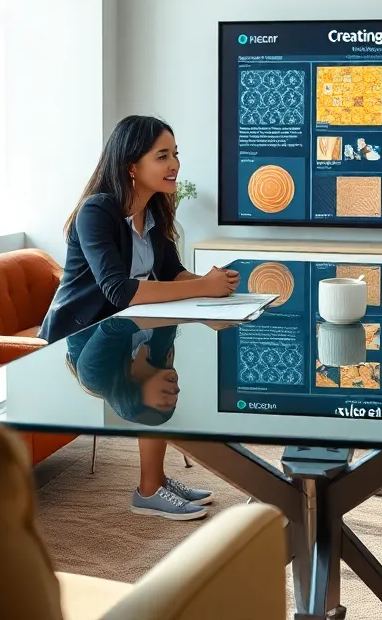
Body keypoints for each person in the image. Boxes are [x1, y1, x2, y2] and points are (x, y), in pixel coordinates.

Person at [39, 115, 239, 520]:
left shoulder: (154, 211)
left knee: (162, 376)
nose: (175, 165)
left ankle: (155, 481)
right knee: (160, 384)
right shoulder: (96, 212)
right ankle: (149, 490)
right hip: (81, 337)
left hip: (130, 327)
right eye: (162, 156)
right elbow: (119, 291)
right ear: (132, 165)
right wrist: (202, 289)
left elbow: (171, 273)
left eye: (175, 154)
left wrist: (214, 288)